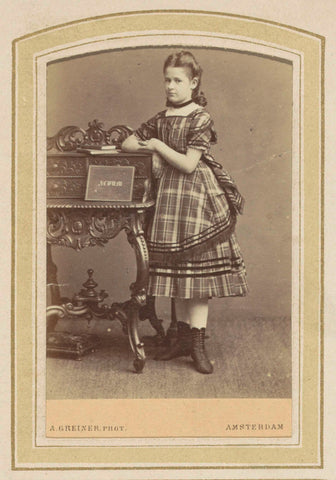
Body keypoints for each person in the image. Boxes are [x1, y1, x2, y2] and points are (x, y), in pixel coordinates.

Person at [122, 50, 247, 374]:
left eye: (178, 80)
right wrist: (151, 148)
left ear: (193, 83)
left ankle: (197, 343)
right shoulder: (161, 118)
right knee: (177, 272)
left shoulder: (200, 118)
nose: (171, 86)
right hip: (168, 200)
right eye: (167, 80)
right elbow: (127, 143)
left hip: (196, 199)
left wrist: (159, 148)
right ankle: (178, 338)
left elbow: (190, 164)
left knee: (197, 274)